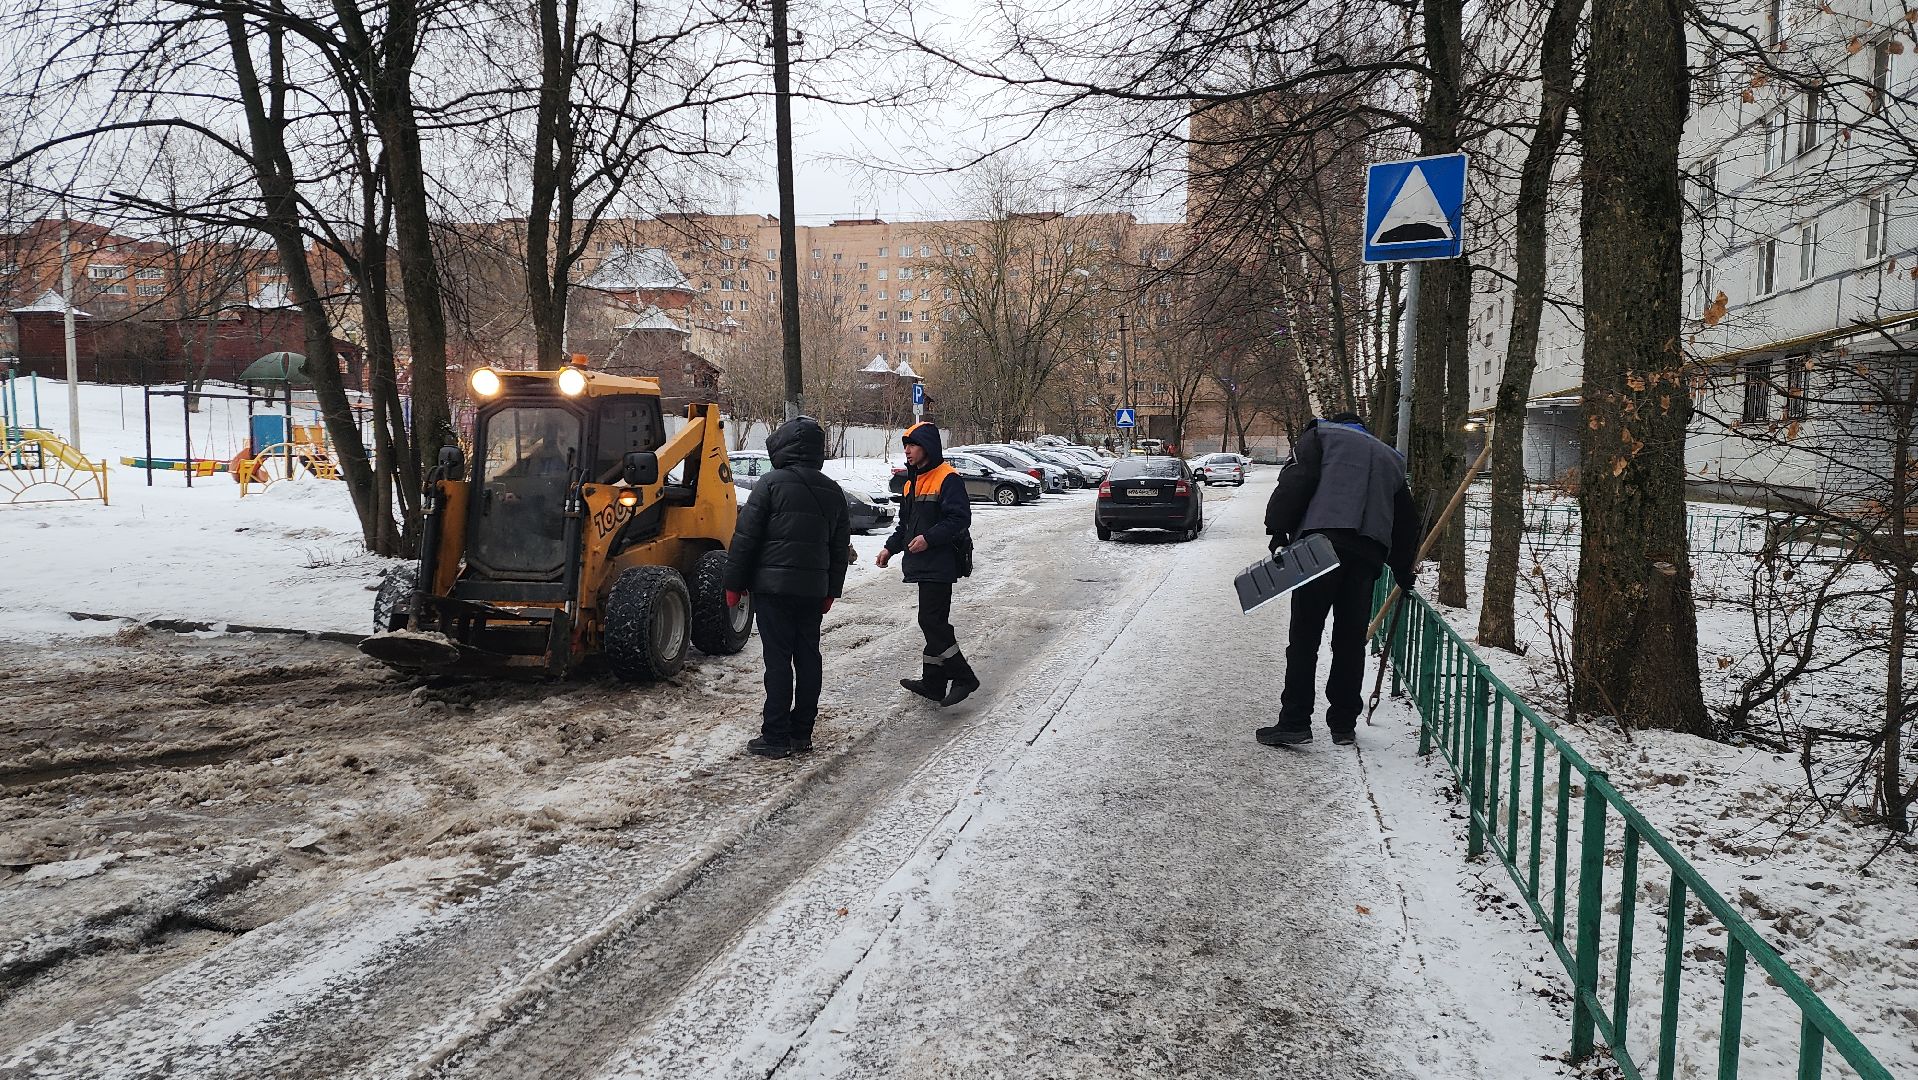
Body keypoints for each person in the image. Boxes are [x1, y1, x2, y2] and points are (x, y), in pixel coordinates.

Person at [1259, 412, 1419, 748]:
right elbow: (1406, 520)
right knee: (1349, 643)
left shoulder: (1321, 436)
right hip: (1367, 554)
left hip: (1320, 548)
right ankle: (1344, 724)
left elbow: (1297, 479)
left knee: (1304, 639)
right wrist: (1403, 570)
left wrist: (1278, 528)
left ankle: (1295, 721)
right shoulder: (1390, 457)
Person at [725, 416, 851, 759]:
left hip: (773, 589)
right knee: (808, 658)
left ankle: (775, 736)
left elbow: (745, 538)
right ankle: (801, 734)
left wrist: (733, 584)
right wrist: (830, 591)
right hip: (812, 591)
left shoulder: (770, 484)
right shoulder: (833, 492)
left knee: (778, 661)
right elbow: (840, 550)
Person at [876, 422, 978, 707]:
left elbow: (959, 519)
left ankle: (964, 677)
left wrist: (929, 539)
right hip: (923, 563)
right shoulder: (912, 482)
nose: (907, 451)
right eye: (905, 446)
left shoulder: (947, 478)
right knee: (933, 622)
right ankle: (933, 682)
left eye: (913, 445)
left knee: (931, 621)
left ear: (928, 447)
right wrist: (889, 548)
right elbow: (906, 525)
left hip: (941, 562)